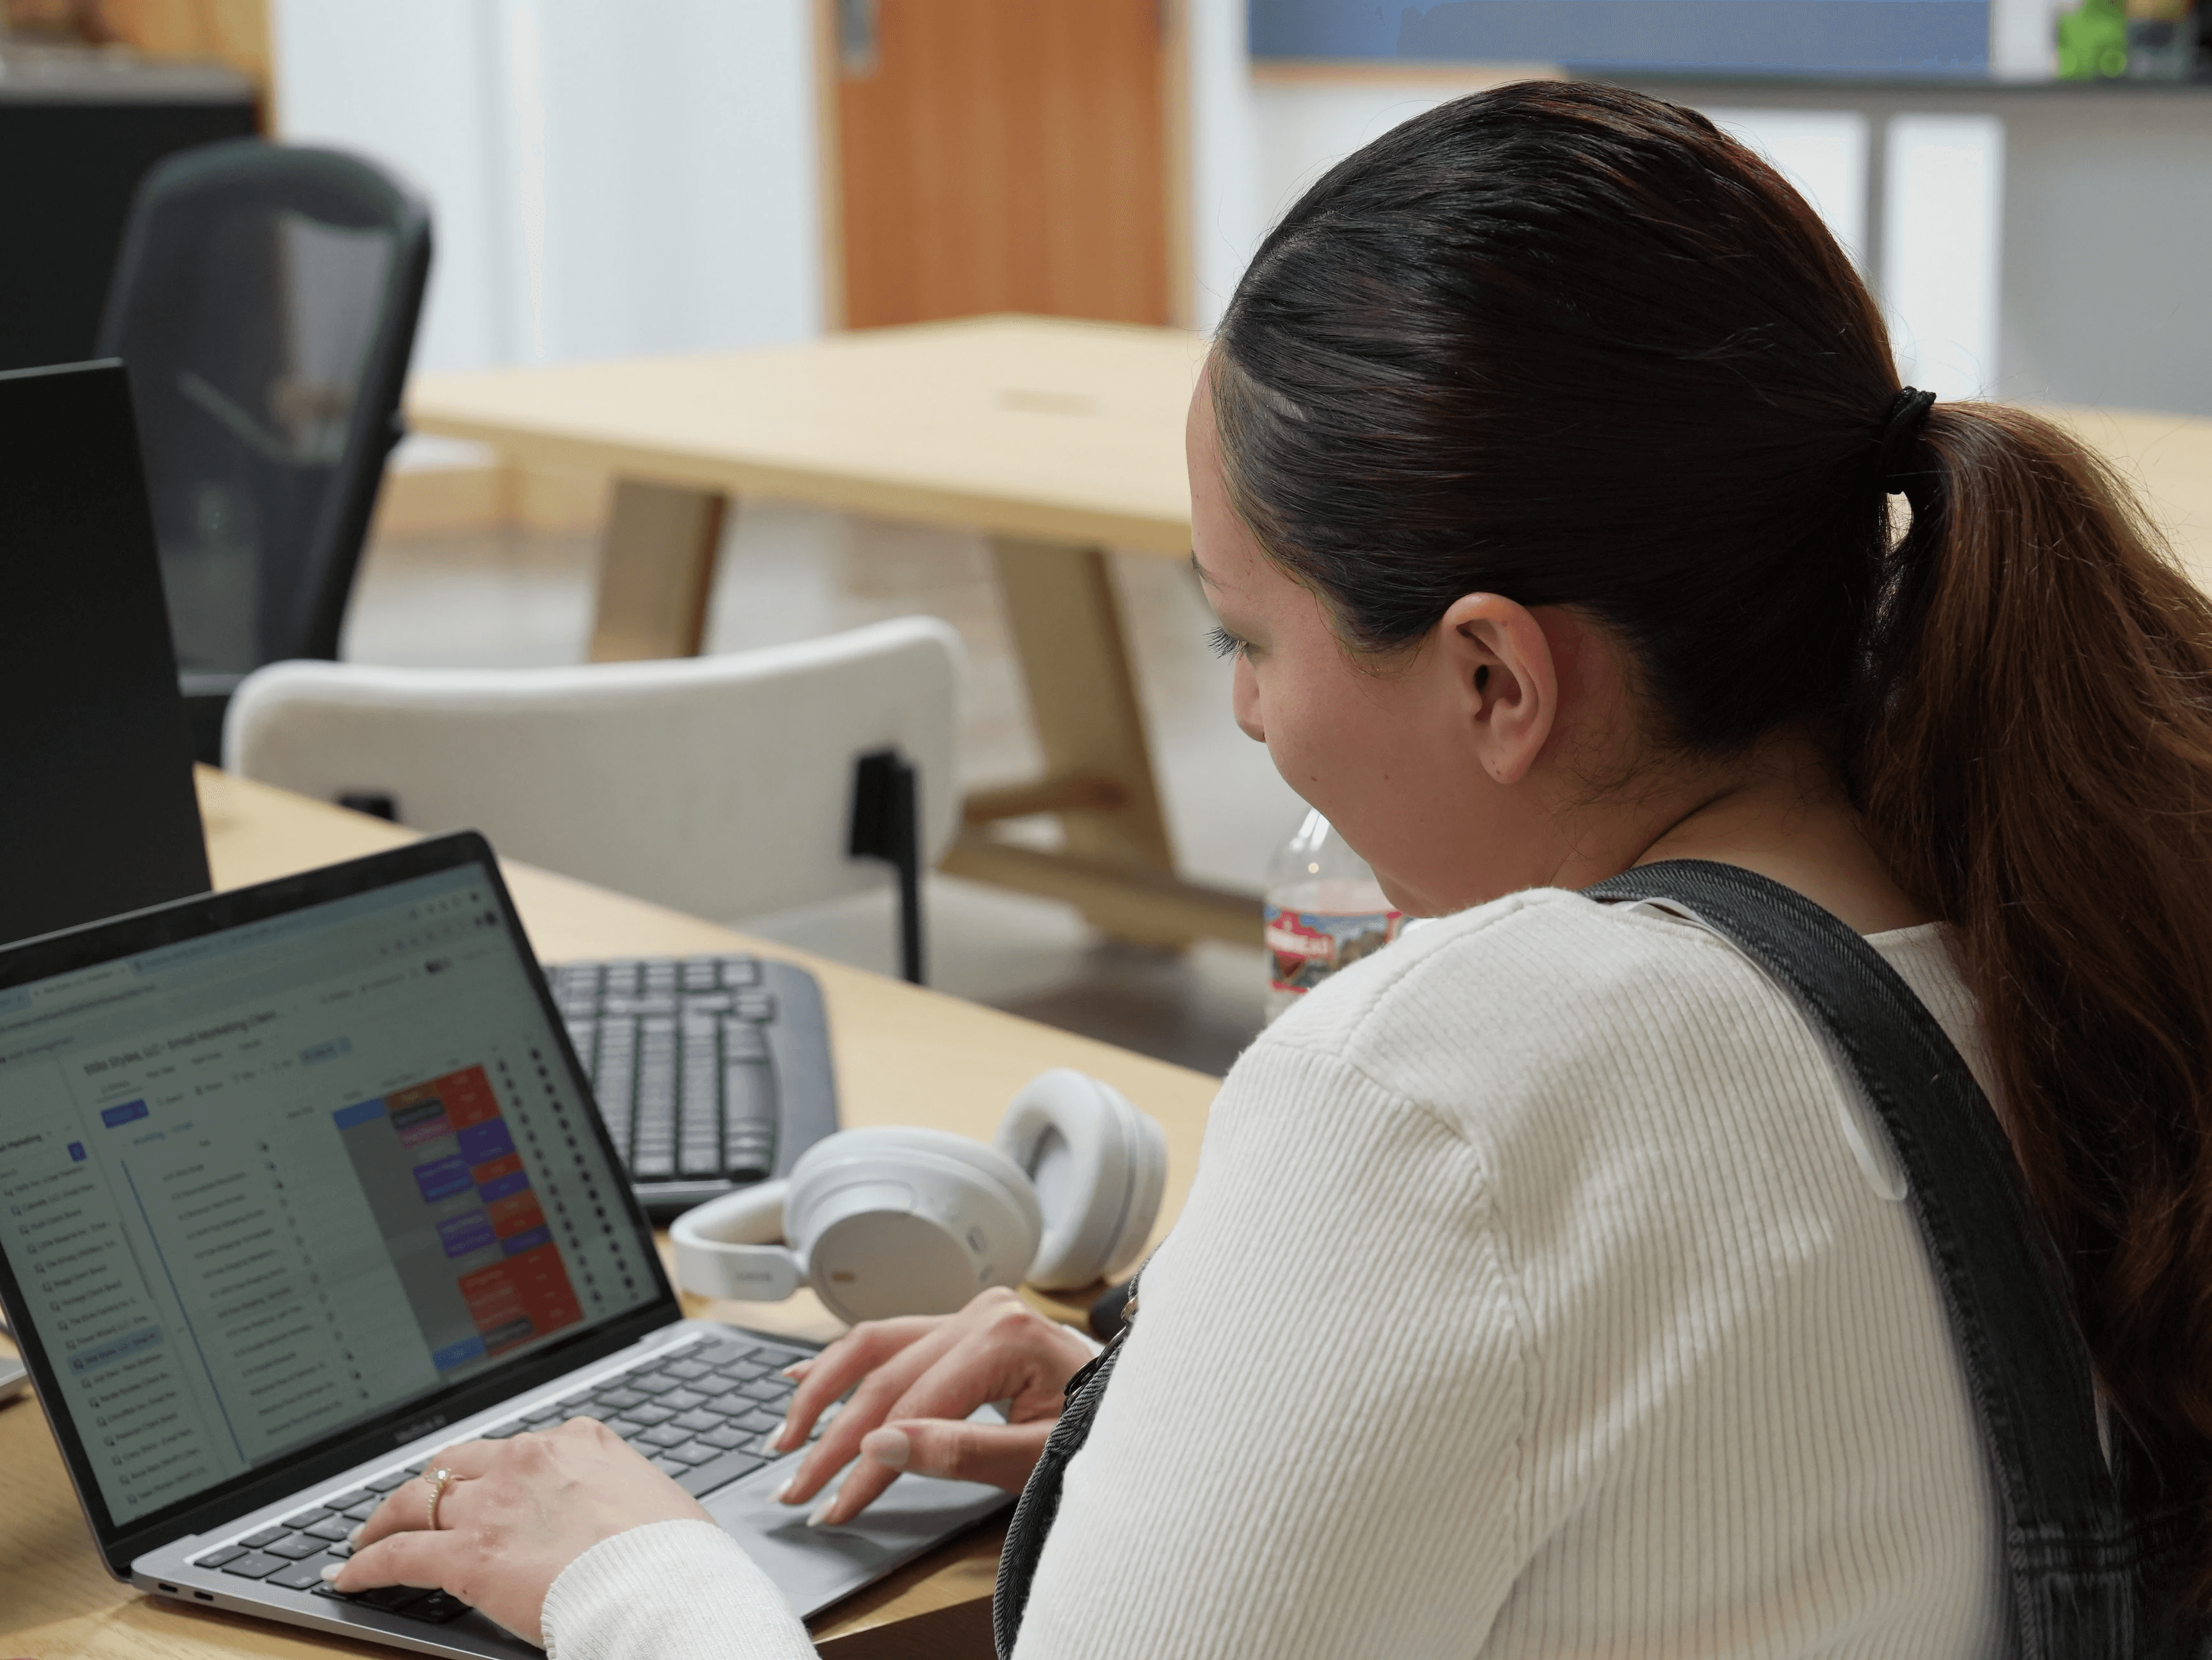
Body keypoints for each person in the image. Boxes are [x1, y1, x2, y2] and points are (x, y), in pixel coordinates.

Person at [326, 81, 2212, 1657]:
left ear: (1494, 675)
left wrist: (630, 1573)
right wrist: (1210, 1426)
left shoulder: (1439, 1082)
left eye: (1248, 638)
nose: (1242, 714)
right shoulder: (2065, 918)